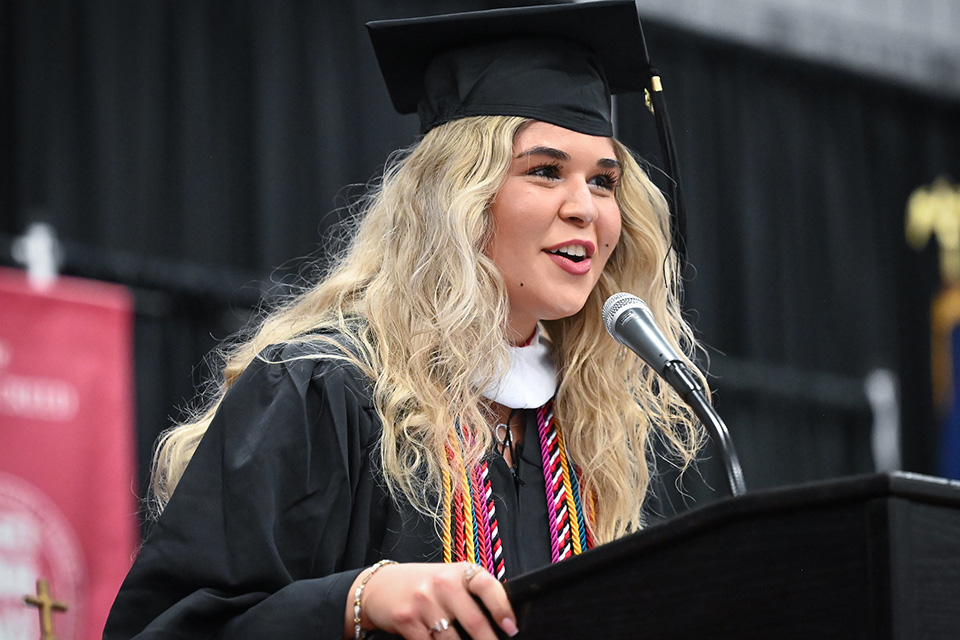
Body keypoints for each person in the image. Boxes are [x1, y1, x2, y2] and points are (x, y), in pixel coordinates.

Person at [104, 2, 706, 639]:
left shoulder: (591, 428)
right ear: (458, 196)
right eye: (546, 171)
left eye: (604, 181)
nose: (586, 208)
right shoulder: (326, 390)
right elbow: (167, 629)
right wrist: (356, 599)